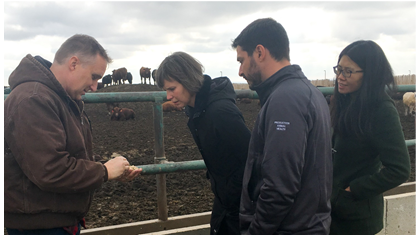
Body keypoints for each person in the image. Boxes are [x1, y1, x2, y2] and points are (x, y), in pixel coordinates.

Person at [4, 34, 142, 235]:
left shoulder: (59, 98)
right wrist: (104, 172)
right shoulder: (34, 99)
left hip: (53, 219)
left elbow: (70, 155)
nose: (95, 87)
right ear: (74, 63)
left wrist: (106, 167)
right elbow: (50, 169)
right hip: (41, 227)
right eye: (94, 76)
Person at [231, 18, 332, 235]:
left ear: (259, 52)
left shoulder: (285, 100)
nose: (240, 71)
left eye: (241, 60)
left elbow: (280, 186)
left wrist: (256, 232)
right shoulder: (307, 92)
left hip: (290, 228)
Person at [155, 51, 251, 235]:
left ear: (188, 80)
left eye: (172, 88)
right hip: (224, 199)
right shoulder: (196, 110)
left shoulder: (220, 112)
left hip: (238, 205)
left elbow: (251, 158)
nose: (168, 96)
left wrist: (232, 194)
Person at [329, 40, 411, 235]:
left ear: (370, 75)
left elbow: (400, 169)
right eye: (338, 69)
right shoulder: (343, 101)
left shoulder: (381, 110)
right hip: (333, 210)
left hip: (356, 217)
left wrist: (353, 190)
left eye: (348, 71)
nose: (340, 77)